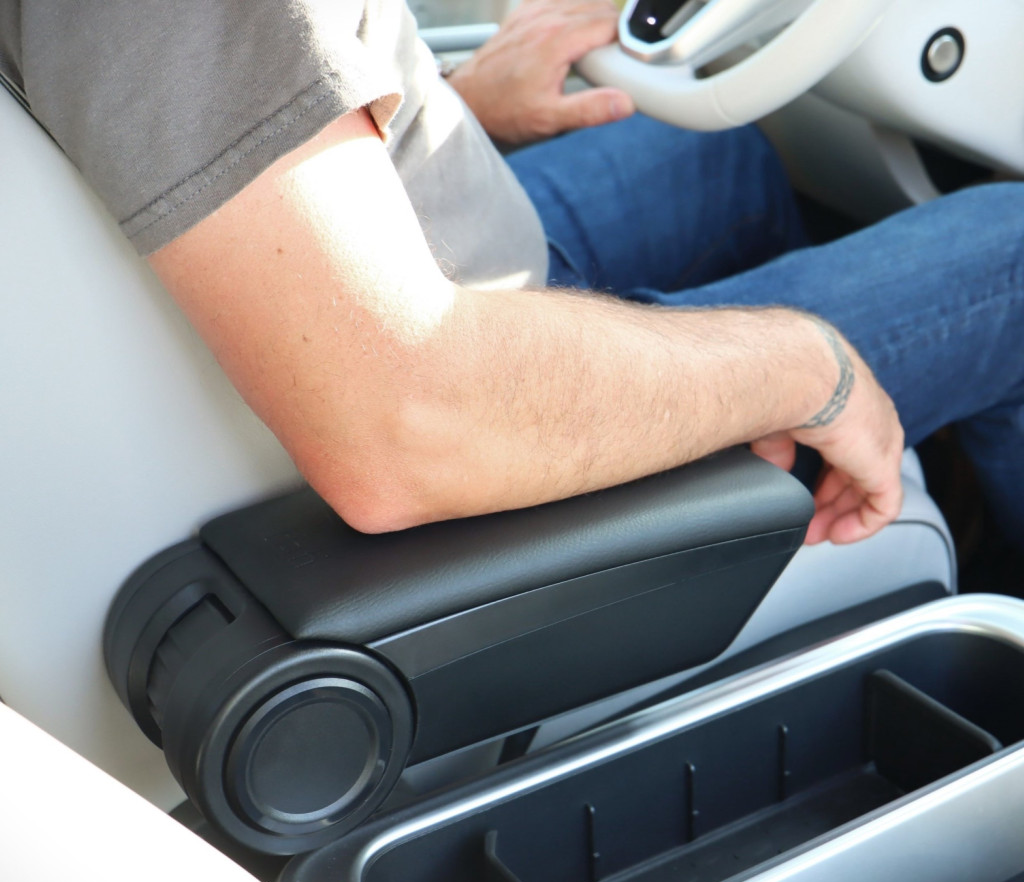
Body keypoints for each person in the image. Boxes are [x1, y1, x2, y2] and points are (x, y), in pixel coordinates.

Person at [3, 0, 1021, 550]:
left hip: (415, 265)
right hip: (481, 411)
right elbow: (408, 422)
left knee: (721, 154)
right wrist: (806, 369)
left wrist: (445, 104)